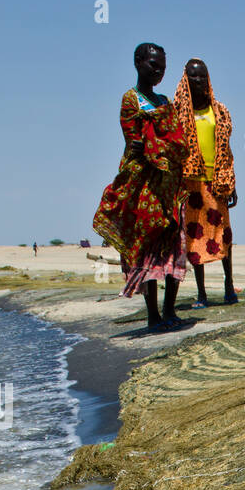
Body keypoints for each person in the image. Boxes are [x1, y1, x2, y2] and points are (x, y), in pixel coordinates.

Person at [93, 43, 189, 331]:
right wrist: (159, 145)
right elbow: (134, 142)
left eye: (162, 67)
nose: (158, 71)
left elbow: (178, 140)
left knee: (174, 245)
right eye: (153, 65)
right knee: (147, 247)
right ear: (138, 63)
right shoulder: (131, 99)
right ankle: (153, 316)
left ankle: (170, 310)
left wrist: (160, 145)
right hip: (143, 186)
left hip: (169, 187)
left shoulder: (163, 102)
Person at [173, 59, 237, 307]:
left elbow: (227, 151)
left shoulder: (219, 111)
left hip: (217, 181)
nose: (198, 82)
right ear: (185, 81)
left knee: (224, 236)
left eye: (202, 77)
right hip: (191, 185)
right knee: (195, 238)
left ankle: (229, 285)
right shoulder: (179, 113)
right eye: (193, 77)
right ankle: (201, 293)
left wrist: (232, 183)